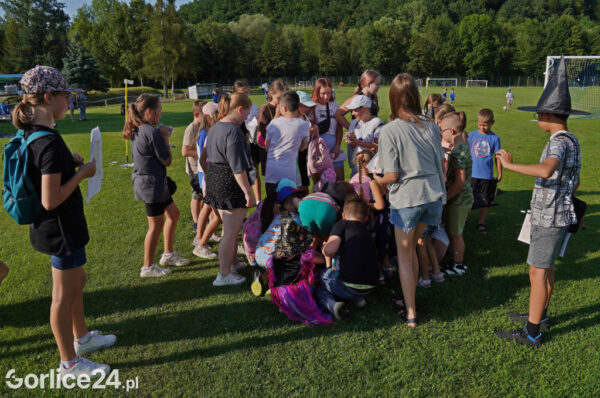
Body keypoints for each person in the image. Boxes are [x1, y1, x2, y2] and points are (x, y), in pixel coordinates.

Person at [13, 65, 115, 377]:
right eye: (65, 95)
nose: (68, 100)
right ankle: (69, 363)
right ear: (48, 96)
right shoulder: (49, 142)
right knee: (62, 296)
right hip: (60, 229)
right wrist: (82, 174)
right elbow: (50, 198)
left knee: (77, 282)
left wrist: (70, 166)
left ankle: (81, 338)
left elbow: (44, 175)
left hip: (57, 229)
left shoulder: (35, 133)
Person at [496, 56, 585, 347]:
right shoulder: (572, 140)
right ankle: (540, 315)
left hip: (549, 217)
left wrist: (509, 166)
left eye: (539, 115)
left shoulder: (558, 142)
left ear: (548, 115)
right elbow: (575, 181)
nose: (538, 120)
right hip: (555, 214)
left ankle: (533, 332)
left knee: (537, 271)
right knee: (543, 270)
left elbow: (547, 169)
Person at [375, 73, 446, 328]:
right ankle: (411, 296)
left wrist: (374, 177)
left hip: (408, 200)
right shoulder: (430, 125)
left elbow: (391, 175)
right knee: (413, 247)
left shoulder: (389, 130)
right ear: (416, 95)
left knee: (404, 256)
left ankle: (411, 313)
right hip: (432, 198)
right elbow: (440, 163)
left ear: (392, 98)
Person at [124, 94, 190, 278]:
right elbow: (167, 160)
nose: (161, 113)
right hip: (150, 185)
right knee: (155, 225)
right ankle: (147, 267)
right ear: (149, 112)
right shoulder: (151, 132)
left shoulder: (140, 128)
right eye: (159, 110)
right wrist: (165, 137)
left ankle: (168, 255)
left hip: (154, 184)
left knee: (173, 213)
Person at [203, 92, 256, 286]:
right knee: (230, 232)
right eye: (246, 114)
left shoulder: (216, 126)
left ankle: (232, 263)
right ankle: (224, 275)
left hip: (216, 178)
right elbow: (237, 167)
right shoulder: (233, 131)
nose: (246, 119)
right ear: (239, 109)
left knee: (228, 227)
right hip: (229, 181)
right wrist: (248, 193)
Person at [316, 198, 379, 320]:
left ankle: (333, 305)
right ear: (366, 218)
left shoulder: (342, 225)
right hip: (370, 286)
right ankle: (358, 299)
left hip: (347, 285)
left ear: (343, 215)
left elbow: (329, 251)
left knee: (319, 280)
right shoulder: (367, 232)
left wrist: (324, 246)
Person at [261, 90, 310, 231]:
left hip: (272, 171)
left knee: (270, 202)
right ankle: (288, 234)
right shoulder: (303, 125)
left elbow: (266, 146)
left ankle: (266, 232)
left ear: (282, 108)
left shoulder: (273, 124)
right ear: (298, 106)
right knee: (288, 204)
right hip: (289, 173)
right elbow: (302, 148)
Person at [439, 112, 473, 276]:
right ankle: (453, 259)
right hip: (458, 198)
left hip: (459, 199)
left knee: (456, 233)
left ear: (451, 131)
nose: (440, 132)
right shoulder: (461, 146)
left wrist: (445, 197)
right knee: (452, 231)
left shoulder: (459, 151)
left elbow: (459, 182)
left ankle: (459, 264)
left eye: (441, 130)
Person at [193, 102, 221, 259]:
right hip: (207, 175)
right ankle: (199, 240)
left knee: (209, 208)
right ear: (211, 116)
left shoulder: (207, 131)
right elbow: (204, 158)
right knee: (213, 211)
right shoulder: (205, 133)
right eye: (217, 113)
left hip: (207, 174)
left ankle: (202, 238)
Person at [469, 109, 502, 233]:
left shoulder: (495, 138)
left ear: (492, 122)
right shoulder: (471, 136)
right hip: (472, 174)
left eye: (485, 125)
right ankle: (465, 218)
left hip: (486, 175)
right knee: (469, 198)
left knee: (484, 200)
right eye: (480, 124)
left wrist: (500, 172)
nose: (482, 127)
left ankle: (481, 222)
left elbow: (497, 157)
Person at [256, 80, 288, 199]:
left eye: (284, 97)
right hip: (270, 154)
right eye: (279, 97)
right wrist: (277, 115)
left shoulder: (286, 107)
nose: (281, 101)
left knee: (285, 186)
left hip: (284, 153)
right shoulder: (265, 109)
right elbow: (265, 133)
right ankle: (271, 212)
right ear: (271, 94)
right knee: (272, 187)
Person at [182, 100, 206, 233]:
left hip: (202, 167)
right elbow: (184, 151)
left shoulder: (202, 126)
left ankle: (202, 218)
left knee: (203, 195)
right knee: (196, 196)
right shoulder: (191, 129)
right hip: (195, 169)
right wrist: (201, 152)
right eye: (205, 114)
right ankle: (196, 222)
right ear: (197, 114)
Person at [312, 78, 344, 180]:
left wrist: (338, 145)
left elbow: (339, 128)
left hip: (334, 149)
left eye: (329, 93)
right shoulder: (312, 107)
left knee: (339, 182)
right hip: (319, 151)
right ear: (317, 92)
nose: (326, 96)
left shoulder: (334, 105)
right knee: (321, 184)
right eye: (323, 93)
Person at [233, 79, 260, 200]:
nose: (245, 96)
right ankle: (242, 197)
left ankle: (258, 200)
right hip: (238, 142)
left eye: (247, 93)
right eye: (242, 93)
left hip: (252, 142)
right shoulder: (232, 108)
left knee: (255, 170)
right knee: (239, 171)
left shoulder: (254, 107)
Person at [344, 95, 383, 176]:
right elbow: (353, 146)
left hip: (371, 170)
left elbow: (378, 147)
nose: (353, 113)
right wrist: (350, 140)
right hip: (356, 168)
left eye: (355, 110)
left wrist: (358, 142)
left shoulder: (377, 123)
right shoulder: (354, 123)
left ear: (365, 109)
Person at [297, 91, 318, 190]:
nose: (308, 109)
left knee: (304, 181)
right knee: (297, 182)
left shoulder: (304, 117)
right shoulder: (293, 120)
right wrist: (307, 134)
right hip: (296, 156)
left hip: (304, 154)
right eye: (305, 106)